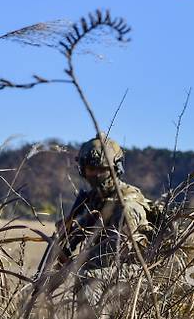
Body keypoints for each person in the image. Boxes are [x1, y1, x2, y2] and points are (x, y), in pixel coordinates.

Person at [53, 134, 155, 318]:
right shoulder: (97, 199)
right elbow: (78, 232)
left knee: (87, 278)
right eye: (89, 168)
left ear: (115, 168)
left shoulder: (126, 206)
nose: (93, 174)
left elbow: (112, 254)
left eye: (100, 169)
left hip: (136, 270)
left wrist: (73, 264)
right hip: (110, 267)